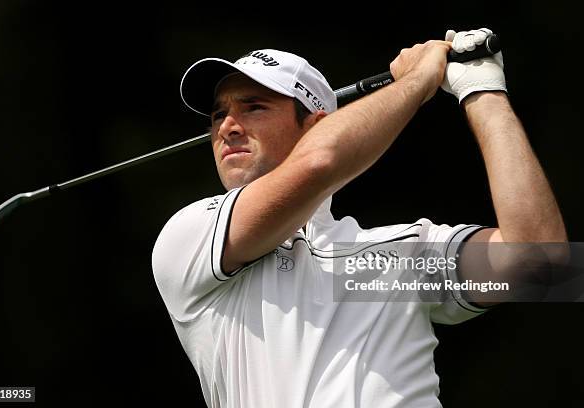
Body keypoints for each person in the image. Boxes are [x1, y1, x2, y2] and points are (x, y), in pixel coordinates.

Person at [152, 28, 567, 407]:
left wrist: (483, 90)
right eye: (217, 115)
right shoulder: (191, 235)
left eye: (253, 107)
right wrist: (417, 81)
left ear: (315, 126)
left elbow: (539, 263)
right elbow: (320, 162)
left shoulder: (396, 256)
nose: (227, 127)